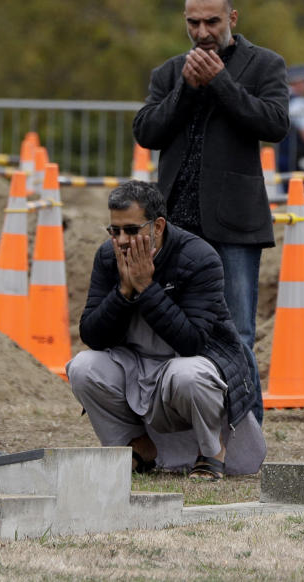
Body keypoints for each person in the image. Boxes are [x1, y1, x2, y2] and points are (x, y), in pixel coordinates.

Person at [132, 0, 290, 424]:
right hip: (175, 226)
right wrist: (186, 89)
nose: (202, 31)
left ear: (232, 19)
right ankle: (180, 429)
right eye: (193, 22)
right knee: (169, 330)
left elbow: (274, 123)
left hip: (235, 224)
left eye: (212, 21)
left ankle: (246, 431)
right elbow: (147, 132)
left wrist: (220, 82)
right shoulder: (169, 72)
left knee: (237, 332)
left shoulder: (265, 65)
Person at [67, 181, 265, 478]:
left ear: (157, 227)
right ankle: (138, 446)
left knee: (187, 374)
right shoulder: (108, 257)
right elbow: (92, 335)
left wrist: (147, 288)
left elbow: (192, 342)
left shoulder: (199, 257)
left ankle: (211, 449)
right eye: (114, 230)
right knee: (82, 367)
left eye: (131, 231)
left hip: (188, 366)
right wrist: (123, 292)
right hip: (133, 365)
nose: (121, 240)